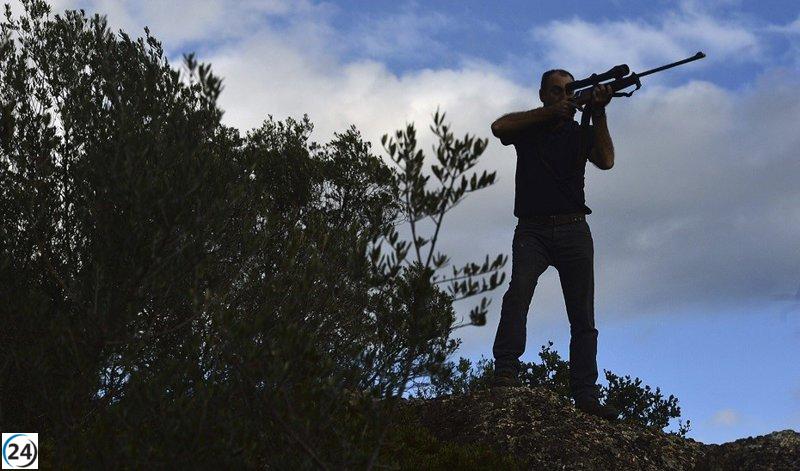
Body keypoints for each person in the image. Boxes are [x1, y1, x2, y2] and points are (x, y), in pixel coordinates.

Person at [488, 68, 620, 421]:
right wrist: (550, 114)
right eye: (557, 91)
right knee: (518, 294)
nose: (564, 96)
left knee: (583, 316)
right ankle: (505, 370)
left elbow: (606, 160)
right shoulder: (530, 129)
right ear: (544, 94)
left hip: (574, 229)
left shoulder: (579, 132)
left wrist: (600, 110)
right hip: (531, 231)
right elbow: (499, 127)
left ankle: (585, 394)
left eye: (568, 91)